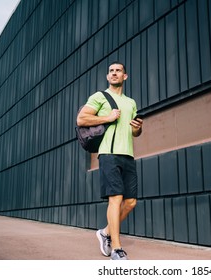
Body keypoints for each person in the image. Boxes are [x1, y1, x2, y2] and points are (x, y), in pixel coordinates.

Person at [76, 62, 143, 260]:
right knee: (116, 199)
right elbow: (81, 119)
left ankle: (105, 232)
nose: (114, 73)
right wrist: (107, 117)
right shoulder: (99, 96)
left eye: (118, 71)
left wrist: (138, 127)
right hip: (108, 154)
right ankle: (116, 248)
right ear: (108, 77)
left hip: (128, 155)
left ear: (125, 76)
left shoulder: (131, 102)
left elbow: (135, 133)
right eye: (111, 71)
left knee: (130, 202)